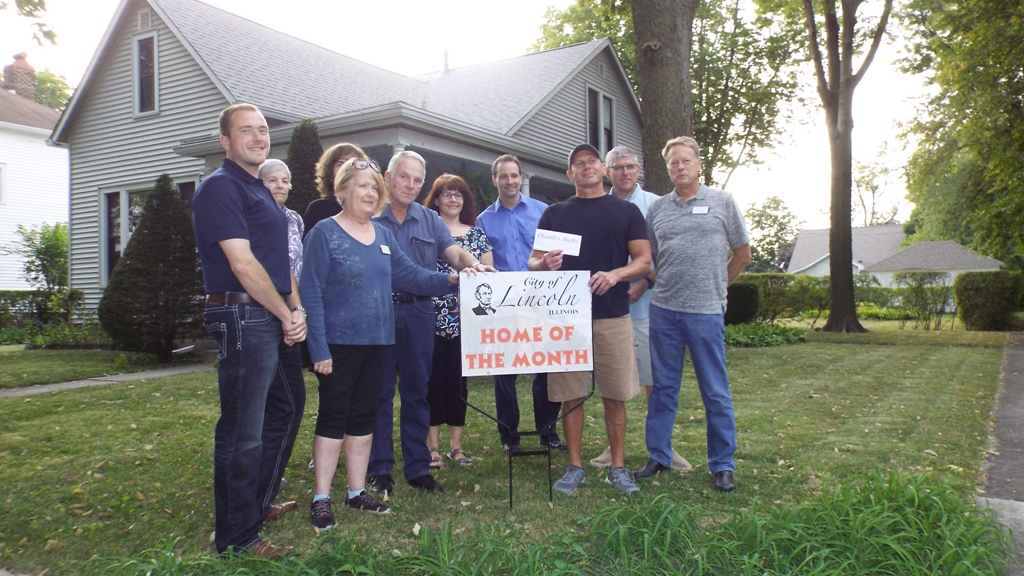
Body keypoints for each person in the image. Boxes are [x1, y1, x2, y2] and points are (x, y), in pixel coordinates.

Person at [301, 158, 461, 530]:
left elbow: (410, 275)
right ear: (343, 189)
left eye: (375, 187)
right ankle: (321, 499)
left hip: (379, 342)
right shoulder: (324, 233)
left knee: (363, 418)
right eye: (363, 186)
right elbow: (311, 293)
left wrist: (453, 280)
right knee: (333, 419)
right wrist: (318, 349)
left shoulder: (382, 235)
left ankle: (357, 492)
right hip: (339, 345)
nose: (371, 193)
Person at [192, 103, 306, 558]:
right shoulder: (220, 188)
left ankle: (254, 506)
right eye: (246, 131)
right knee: (242, 430)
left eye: (262, 130)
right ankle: (237, 538)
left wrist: (296, 310)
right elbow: (242, 264)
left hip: (271, 314)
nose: (258, 137)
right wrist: (283, 313)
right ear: (225, 141)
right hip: (243, 315)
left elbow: (279, 261)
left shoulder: (259, 189)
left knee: (287, 408)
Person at [367, 150, 495, 497]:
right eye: (403, 177)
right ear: (388, 178)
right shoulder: (370, 216)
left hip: (420, 313)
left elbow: (454, 253)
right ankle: (380, 468)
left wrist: (473, 266)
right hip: (378, 313)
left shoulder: (430, 220)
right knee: (379, 393)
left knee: (417, 392)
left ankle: (418, 467)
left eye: (417, 180)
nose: (410, 185)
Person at [528, 143, 651, 496]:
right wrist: (544, 264)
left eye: (592, 161)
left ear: (603, 169)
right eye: (578, 163)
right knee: (571, 396)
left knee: (615, 396)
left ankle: (618, 467)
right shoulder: (555, 214)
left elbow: (643, 261)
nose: (586, 167)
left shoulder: (626, 212)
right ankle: (575, 466)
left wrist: (616, 274)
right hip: (566, 319)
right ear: (570, 174)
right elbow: (533, 262)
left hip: (613, 316)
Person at [633, 136, 751, 494]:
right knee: (663, 387)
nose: (680, 167)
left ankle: (722, 464)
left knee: (714, 390)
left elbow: (743, 254)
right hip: (664, 310)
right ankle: (659, 455)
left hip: (705, 312)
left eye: (686, 160)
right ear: (667, 168)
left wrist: (718, 288)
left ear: (699, 164)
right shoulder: (658, 209)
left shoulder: (723, 202)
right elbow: (656, 258)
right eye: (673, 162)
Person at [589, 146, 691, 473]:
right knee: (612, 384)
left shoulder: (657, 206)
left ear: (639, 168)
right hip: (607, 313)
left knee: (653, 382)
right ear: (607, 172)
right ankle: (613, 446)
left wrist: (645, 282)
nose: (624, 172)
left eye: (630, 166)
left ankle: (662, 447)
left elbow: (669, 256)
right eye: (617, 167)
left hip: (646, 310)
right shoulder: (595, 205)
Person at [476, 154, 565, 454]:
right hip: (505, 303)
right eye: (503, 176)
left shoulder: (543, 212)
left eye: (514, 175)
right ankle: (509, 435)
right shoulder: (484, 220)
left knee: (545, 366)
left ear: (521, 177)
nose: (510, 181)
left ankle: (548, 431)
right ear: (495, 180)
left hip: (541, 299)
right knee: (504, 370)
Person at [421, 174, 494, 468]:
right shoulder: (427, 231)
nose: (453, 200)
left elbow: (489, 275)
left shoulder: (477, 234)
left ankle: (457, 446)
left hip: (467, 320)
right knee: (432, 382)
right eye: (447, 194)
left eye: (458, 195)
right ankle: (432, 447)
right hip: (430, 316)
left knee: (458, 383)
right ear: (436, 200)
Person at [256, 159, 307, 509]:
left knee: (288, 401)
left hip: (288, 314)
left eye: (285, 180)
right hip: (261, 314)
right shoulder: (256, 216)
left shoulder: (294, 220)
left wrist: (296, 313)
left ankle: (265, 487)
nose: (280, 186)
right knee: (267, 404)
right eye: (272, 180)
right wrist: (289, 314)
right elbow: (269, 269)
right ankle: (257, 491)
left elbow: (293, 269)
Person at [302, 143, 369, 237]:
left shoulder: (370, 205)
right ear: (330, 172)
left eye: (352, 162)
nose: (346, 167)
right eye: (340, 163)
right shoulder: (317, 209)